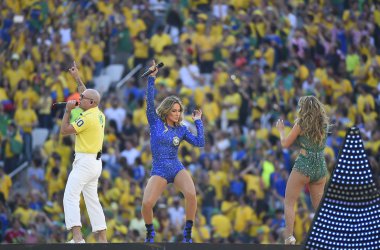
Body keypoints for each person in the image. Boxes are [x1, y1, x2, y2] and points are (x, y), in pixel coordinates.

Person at [142, 60, 205, 243]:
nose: (177, 113)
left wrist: (198, 122)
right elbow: (149, 101)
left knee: (192, 195)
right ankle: (150, 232)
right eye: (174, 110)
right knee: (147, 204)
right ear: (167, 110)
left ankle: (187, 233)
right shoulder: (155, 122)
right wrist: (152, 79)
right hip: (159, 169)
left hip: (175, 166)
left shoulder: (182, 129)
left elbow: (200, 142)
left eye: (179, 111)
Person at [60, 61, 107, 243]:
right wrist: (77, 78)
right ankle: (102, 239)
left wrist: (67, 111)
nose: (80, 98)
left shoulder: (87, 118)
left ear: (91, 103)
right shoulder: (98, 112)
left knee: (70, 195)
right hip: (95, 163)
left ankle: (78, 238)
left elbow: (64, 131)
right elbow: (88, 94)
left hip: (85, 162)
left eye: (83, 98)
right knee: (92, 201)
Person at [276, 96, 329, 245]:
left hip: (304, 165)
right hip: (320, 166)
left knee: (289, 202)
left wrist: (281, 131)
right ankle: (326, 237)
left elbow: (285, 144)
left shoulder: (301, 123)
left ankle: (289, 237)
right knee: (319, 207)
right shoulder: (324, 124)